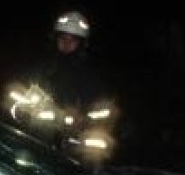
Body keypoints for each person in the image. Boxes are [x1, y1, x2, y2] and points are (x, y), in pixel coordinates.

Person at [7, 10, 116, 163]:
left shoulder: (90, 79)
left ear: (82, 44)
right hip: (31, 140)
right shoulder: (38, 70)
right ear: (55, 39)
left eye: (73, 40)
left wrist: (82, 125)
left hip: (69, 153)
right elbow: (13, 99)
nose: (67, 43)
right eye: (63, 37)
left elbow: (101, 116)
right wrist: (20, 112)